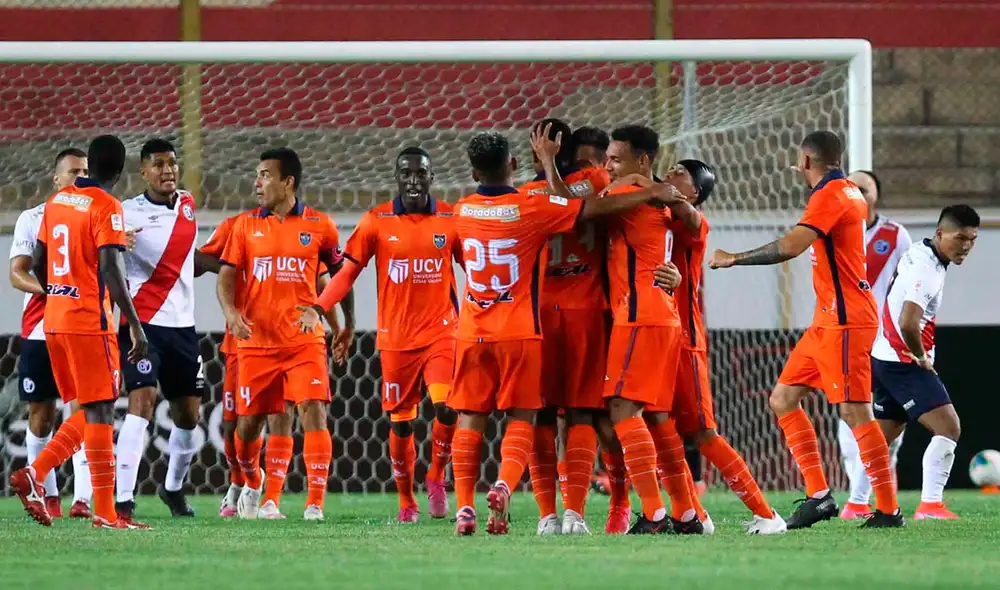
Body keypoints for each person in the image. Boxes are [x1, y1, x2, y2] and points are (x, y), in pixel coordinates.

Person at [448, 130, 678, 536]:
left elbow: (454, 252)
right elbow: (583, 207)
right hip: (578, 315)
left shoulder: (487, 205)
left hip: (522, 316)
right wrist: (654, 191)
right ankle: (577, 512)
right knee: (582, 415)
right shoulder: (589, 187)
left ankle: (543, 515)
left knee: (531, 417)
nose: (601, 165)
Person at [708, 130, 903, 529]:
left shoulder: (830, 196)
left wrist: (734, 258)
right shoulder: (848, 191)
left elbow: (793, 245)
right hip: (827, 320)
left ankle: (888, 510)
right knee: (783, 398)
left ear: (807, 161)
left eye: (799, 161)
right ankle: (819, 497)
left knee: (855, 411)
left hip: (846, 321)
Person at [300, 146, 460, 523]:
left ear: (431, 178)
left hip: (442, 332)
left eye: (421, 174)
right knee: (401, 422)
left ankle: (437, 476)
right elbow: (347, 272)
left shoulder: (452, 219)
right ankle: (407, 500)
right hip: (396, 340)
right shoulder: (376, 221)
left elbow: (478, 264)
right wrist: (320, 307)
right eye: (406, 174)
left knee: (448, 407)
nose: (414, 181)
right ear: (397, 178)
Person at [10, 134, 150, 529]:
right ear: (120, 172)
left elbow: (37, 261)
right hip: (90, 323)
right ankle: (37, 474)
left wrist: (59, 291)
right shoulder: (107, 205)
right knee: (101, 407)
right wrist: (135, 325)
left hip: (53, 320)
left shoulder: (58, 201)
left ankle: (103, 514)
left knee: (94, 410)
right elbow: (111, 268)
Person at [647, 161, 786, 534]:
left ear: (694, 193)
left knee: (703, 432)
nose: (670, 174)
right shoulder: (652, 213)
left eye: (680, 173)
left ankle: (767, 515)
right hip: (653, 337)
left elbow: (690, 218)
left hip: (685, 343)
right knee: (661, 429)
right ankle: (692, 515)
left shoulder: (693, 222)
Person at [217, 148, 351, 521]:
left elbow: (340, 275)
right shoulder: (244, 226)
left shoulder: (320, 225)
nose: (257, 183)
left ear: (287, 181)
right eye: (257, 175)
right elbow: (226, 276)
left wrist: (343, 324)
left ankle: (314, 503)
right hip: (256, 341)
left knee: (313, 410)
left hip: (303, 339)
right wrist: (230, 313)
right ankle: (251, 478)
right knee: (247, 427)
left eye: (264, 175)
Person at [518, 119, 610, 535]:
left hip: (579, 310)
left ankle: (572, 511)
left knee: (578, 412)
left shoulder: (591, 180)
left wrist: (548, 164)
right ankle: (549, 514)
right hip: (549, 313)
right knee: (550, 413)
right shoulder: (528, 193)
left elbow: (565, 210)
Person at [113, 139, 204, 522]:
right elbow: (105, 259)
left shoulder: (187, 205)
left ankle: (172, 489)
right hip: (142, 325)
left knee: (188, 416)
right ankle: (123, 500)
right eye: (158, 164)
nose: (168, 170)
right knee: (142, 403)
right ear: (143, 172)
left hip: (183, 327)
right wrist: (119, 244)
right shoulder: (124, 212)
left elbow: (188, 261)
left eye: (172, 163)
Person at [871, 205, 978, 520]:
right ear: (941, 233)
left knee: (880, 441)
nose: (967, 246)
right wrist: (919, 356)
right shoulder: (927, 270)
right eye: (960, 238)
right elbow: (908, 322)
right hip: (903, 361)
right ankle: (931, 505)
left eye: (972, 239)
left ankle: (858, 503)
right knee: (948, 427)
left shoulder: (922, 251)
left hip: (885, 356)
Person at [9, 148, 93, 520]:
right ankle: (47, 494)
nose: (80, 178)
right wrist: (52, 289)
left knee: (85, 409)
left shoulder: (96, 212)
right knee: (41, 413)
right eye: (74, 172)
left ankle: (83, 498)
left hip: (84, 327)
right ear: (56, 178)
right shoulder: (33, 218)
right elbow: (17, 273)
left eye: (86, 172)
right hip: (41, 328)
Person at [837, 169, 911, 519]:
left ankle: (876, 495)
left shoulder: (896, 236)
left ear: (876, 195)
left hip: (885, 342)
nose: (857, 194)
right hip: (846, 335)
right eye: (851, 187)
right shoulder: (832, 231)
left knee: (888, 422)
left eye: (864, 189)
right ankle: (859, 499)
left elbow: (908, 287)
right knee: (849, 415)